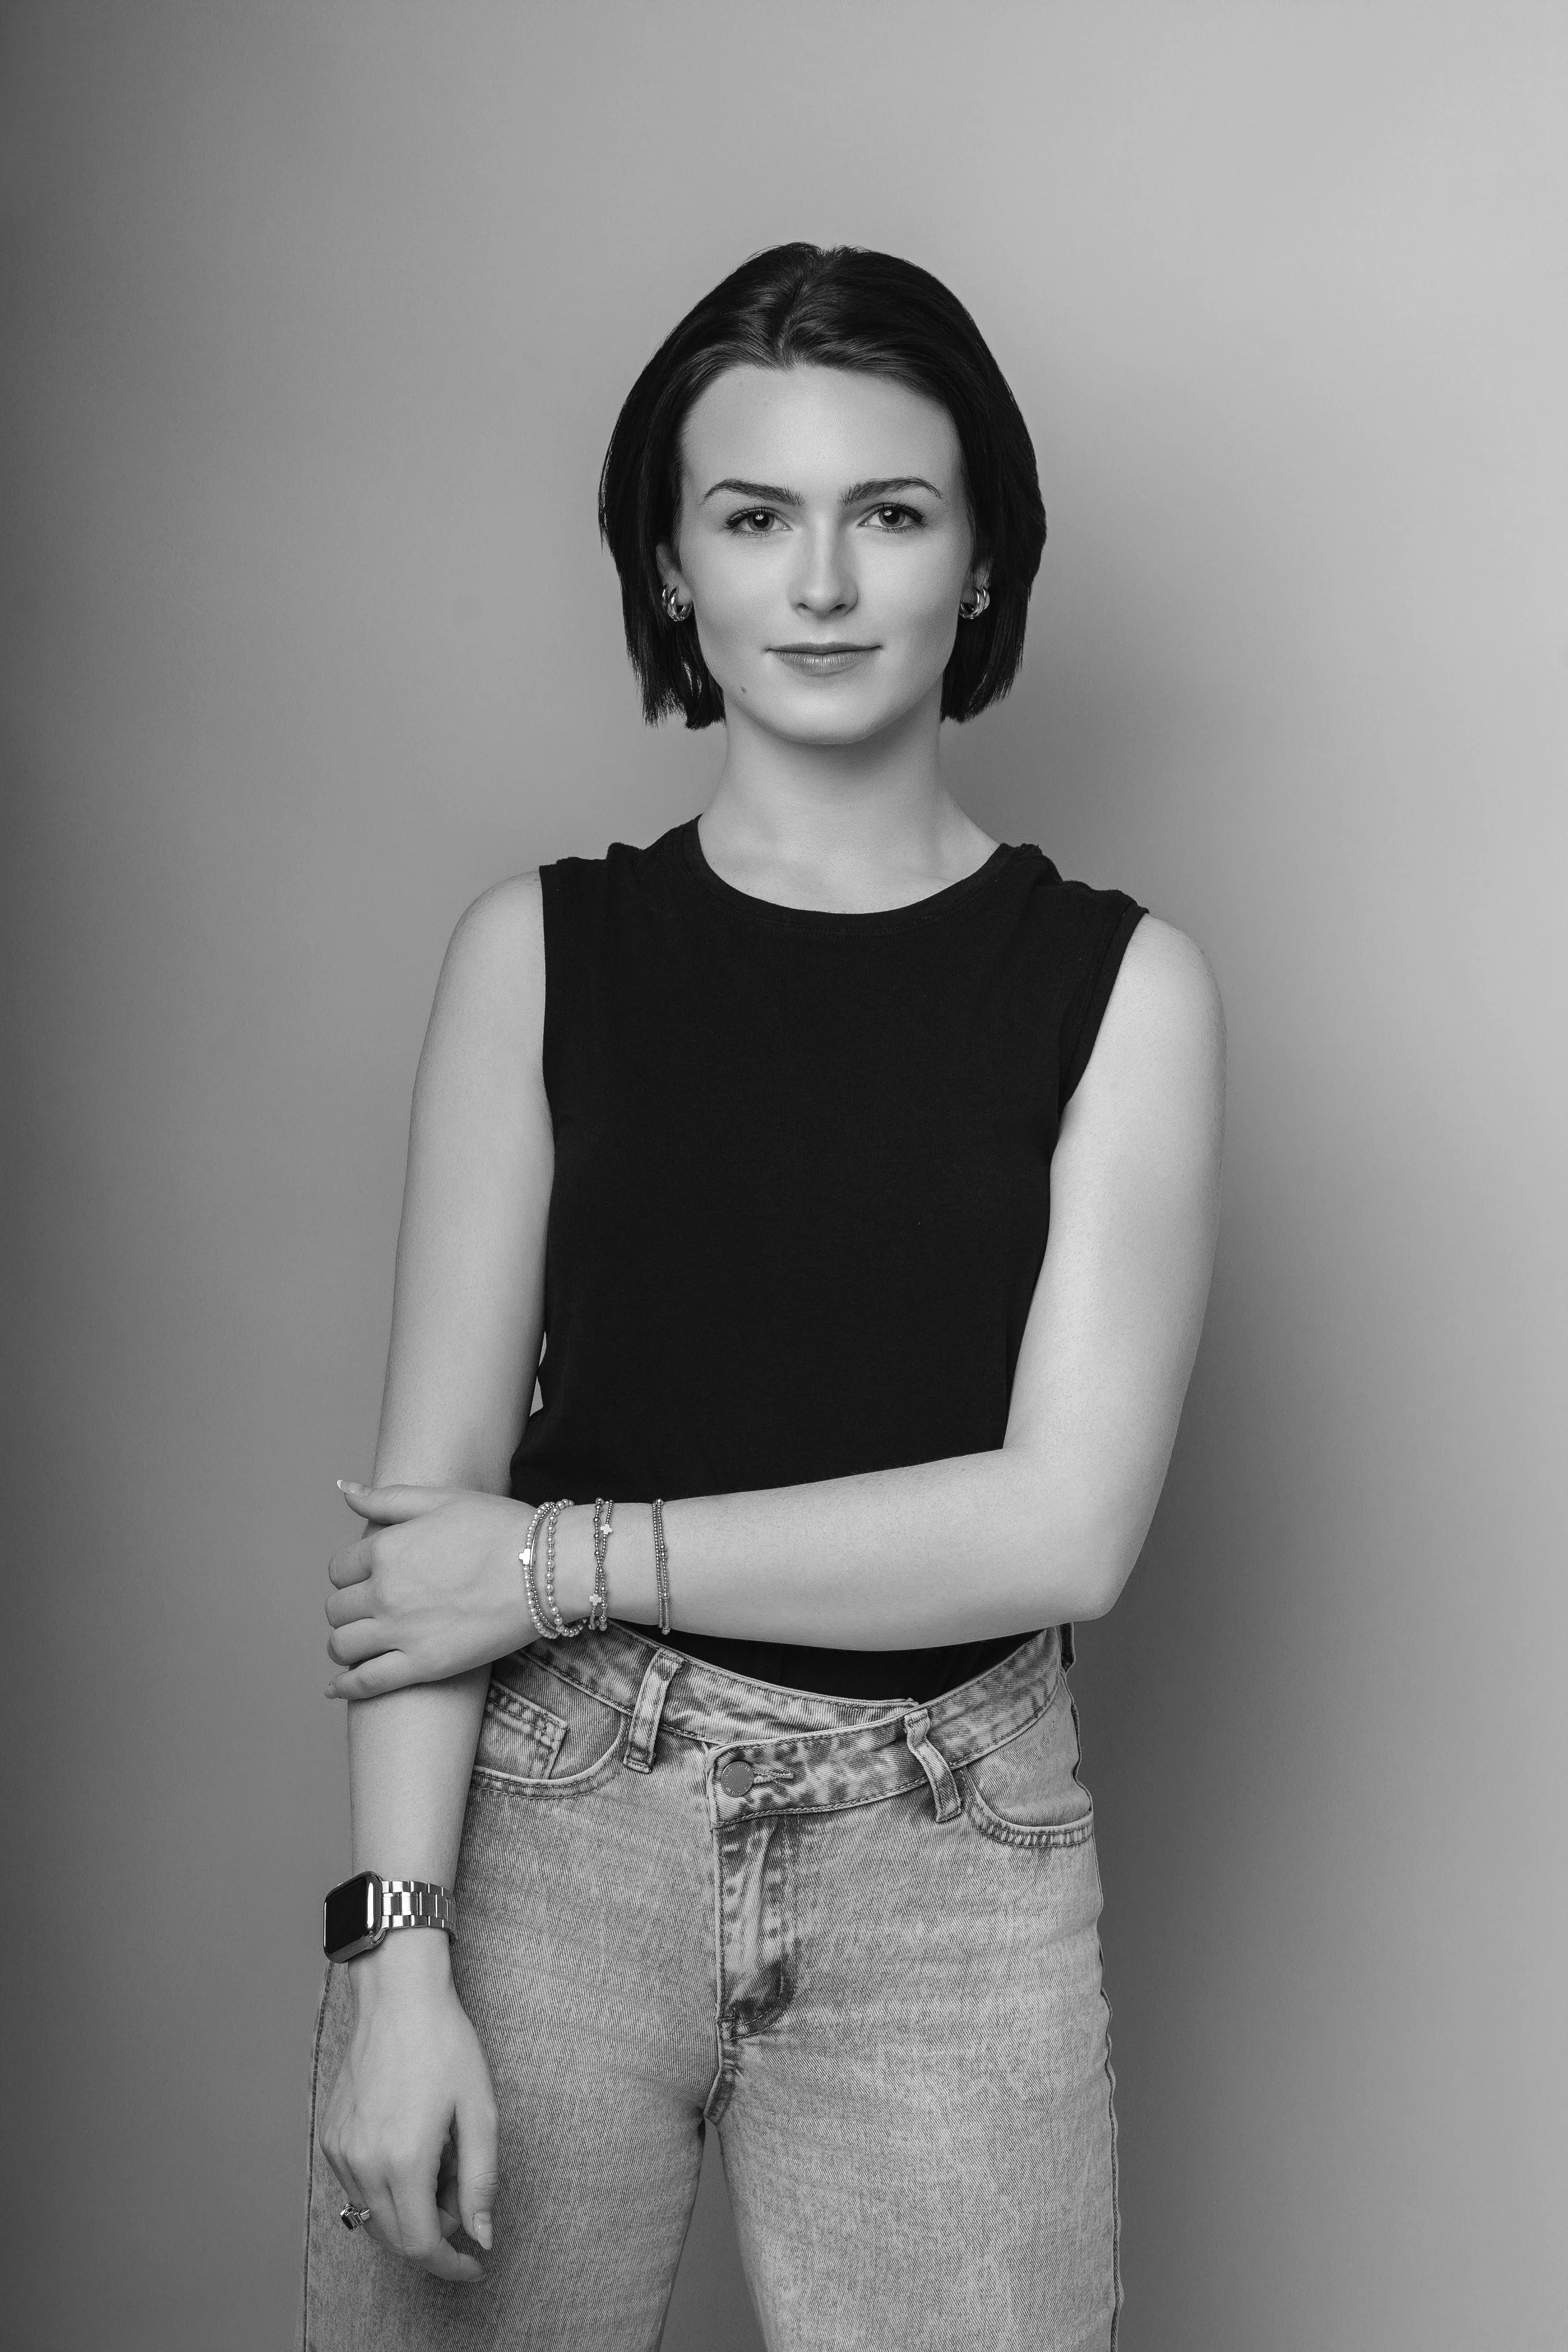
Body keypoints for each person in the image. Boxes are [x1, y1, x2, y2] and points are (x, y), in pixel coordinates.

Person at [302, 242, 1224, 2351]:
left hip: (949, 1850)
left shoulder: (1120, 991)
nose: (820, 582)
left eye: (889, 513)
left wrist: (559, 1555)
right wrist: (392, 1960)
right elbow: (418, 1540)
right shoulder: (537, 955)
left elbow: (1061, 1525)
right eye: (752, 516)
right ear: (670, 572)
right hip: (543, 1836)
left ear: (979, 567)